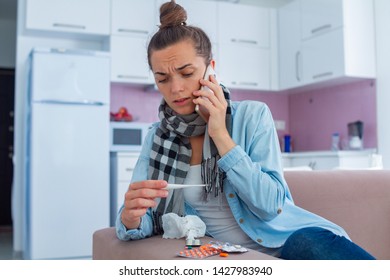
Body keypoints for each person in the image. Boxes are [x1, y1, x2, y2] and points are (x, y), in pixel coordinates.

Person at [116, 0, 375, 260]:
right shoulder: (157, 137)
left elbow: (271, 206)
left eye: (186, 73)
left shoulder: (253, 115)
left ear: (211, 69)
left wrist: (220, 135)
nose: (175, 89)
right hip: (234, 256)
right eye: (162, 78)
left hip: (291, 241)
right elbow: (143, 218)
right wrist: (129, 218)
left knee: (307, 243)